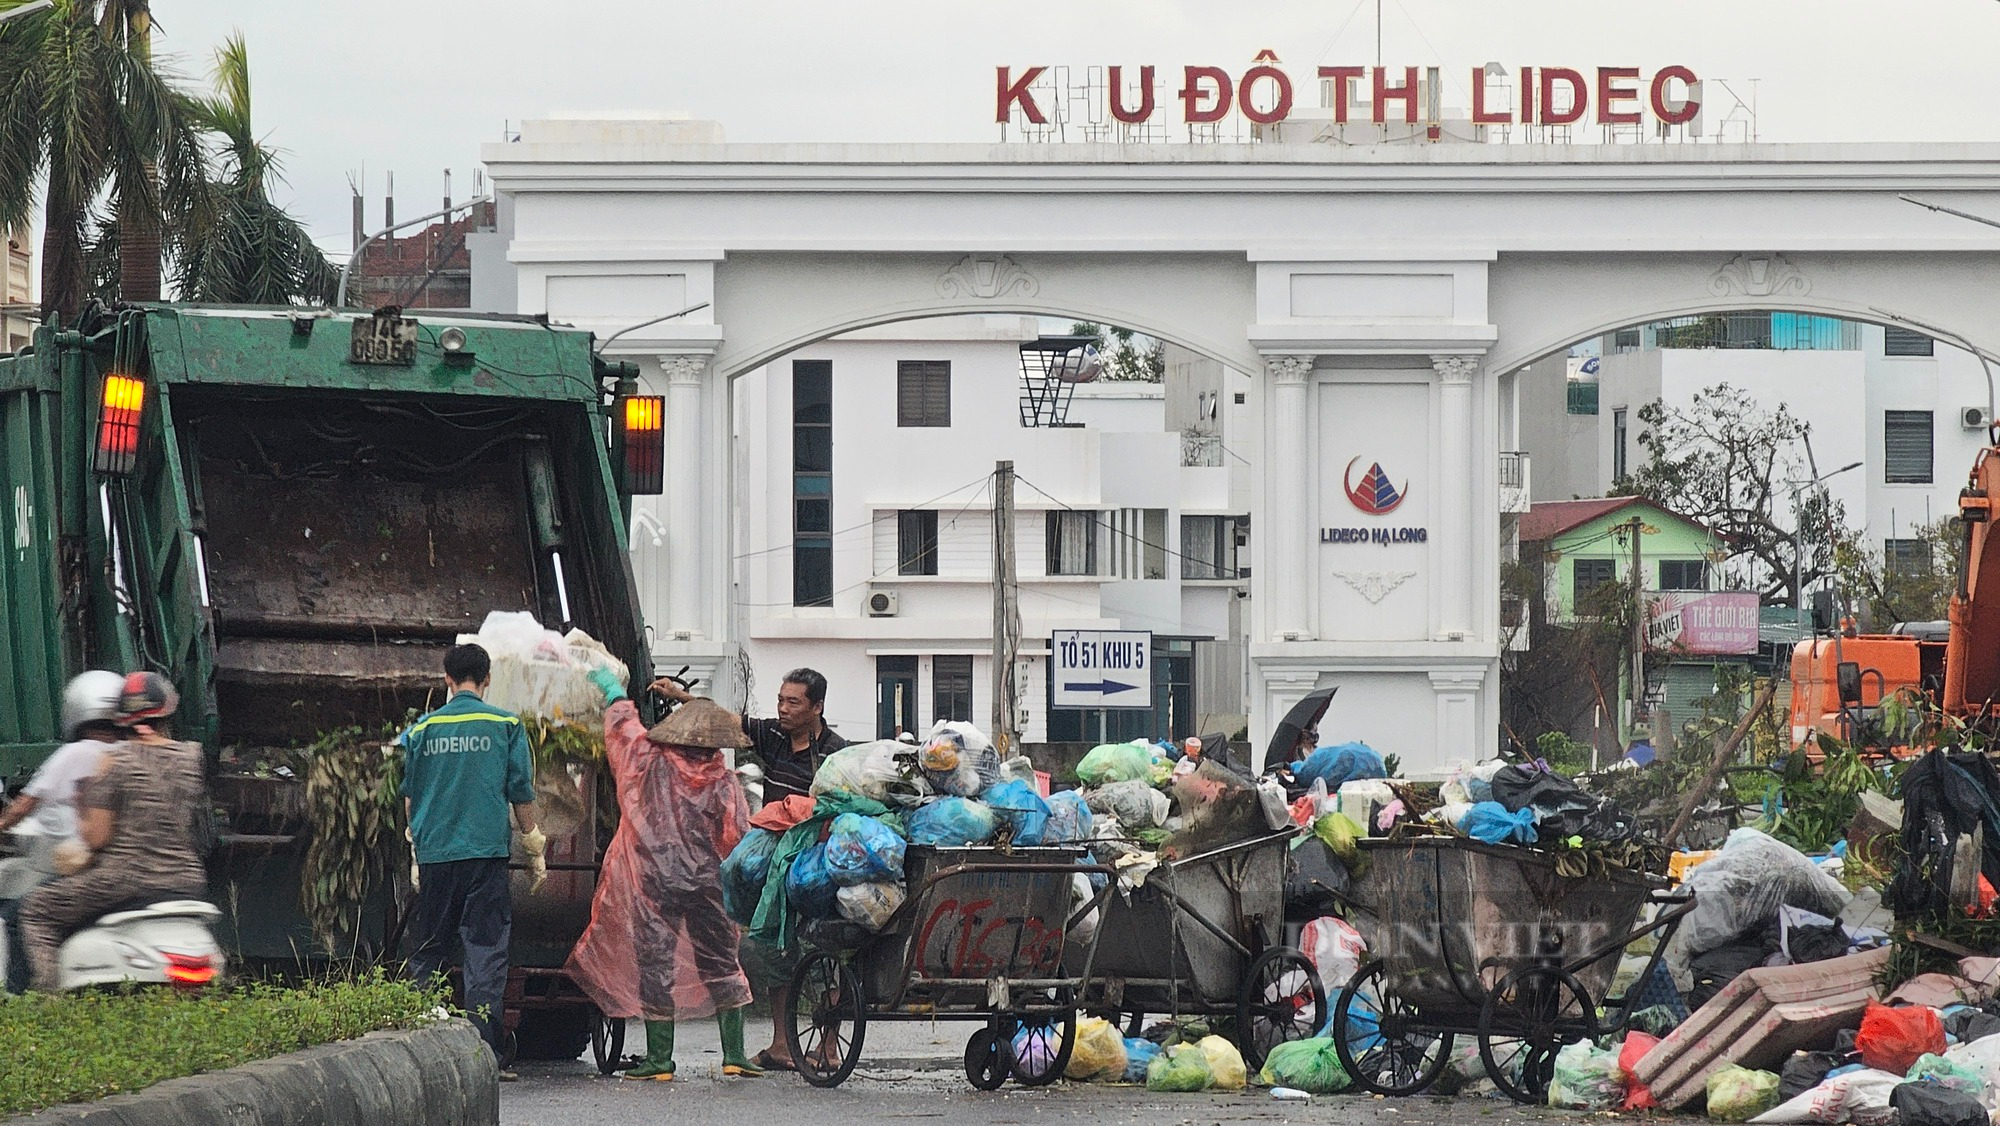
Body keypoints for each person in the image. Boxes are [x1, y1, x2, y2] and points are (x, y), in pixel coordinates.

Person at [567, 670, 758, 1081]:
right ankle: (735, 1056)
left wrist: (616, 692)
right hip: (708, 885)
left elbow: (624, 729)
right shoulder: (725, 782)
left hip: (653, 883)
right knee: (722, 962)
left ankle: (659, 1062)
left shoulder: (648, 762)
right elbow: (737, 837)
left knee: (656, 963)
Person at [654, 669, 847, 1071]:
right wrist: (679, 695)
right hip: (774, 855)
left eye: (793, 702)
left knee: (826, 952)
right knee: (775, 949)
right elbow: (727, 718)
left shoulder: (834, 753)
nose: (783, 709)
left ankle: (828, 1047)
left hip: (815, 862)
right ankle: (781, 1044)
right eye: (780, 700)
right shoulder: (772, 736)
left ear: (817, 707)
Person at [398, 643, 545, 1070]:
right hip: (485, 855)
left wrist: (416, 845)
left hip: (436, 854)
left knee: (429, 948)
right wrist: (534, 846)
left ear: (446, 679)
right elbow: (521, 793)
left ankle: (420, 1048)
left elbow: (411, 798)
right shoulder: (505, 724)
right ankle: (483, 1054)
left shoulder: (422, 729)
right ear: (487, 679)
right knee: (484, 950)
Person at [18, 672, 208, 992]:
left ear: (122, 718)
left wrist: (82, 812)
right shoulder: (193, 757)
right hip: (187, 878)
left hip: (124, 878)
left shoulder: (113, 762)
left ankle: (47, 1003)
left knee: (36, 911)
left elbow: (97, 838)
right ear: (167, 711)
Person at [0, 672, 126, 992]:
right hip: (127, 865)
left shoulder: (73, 754)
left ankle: (22, 997)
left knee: (18, 915)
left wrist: (3, 824)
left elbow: (24, 806)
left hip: (80, 866)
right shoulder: (130, 755)